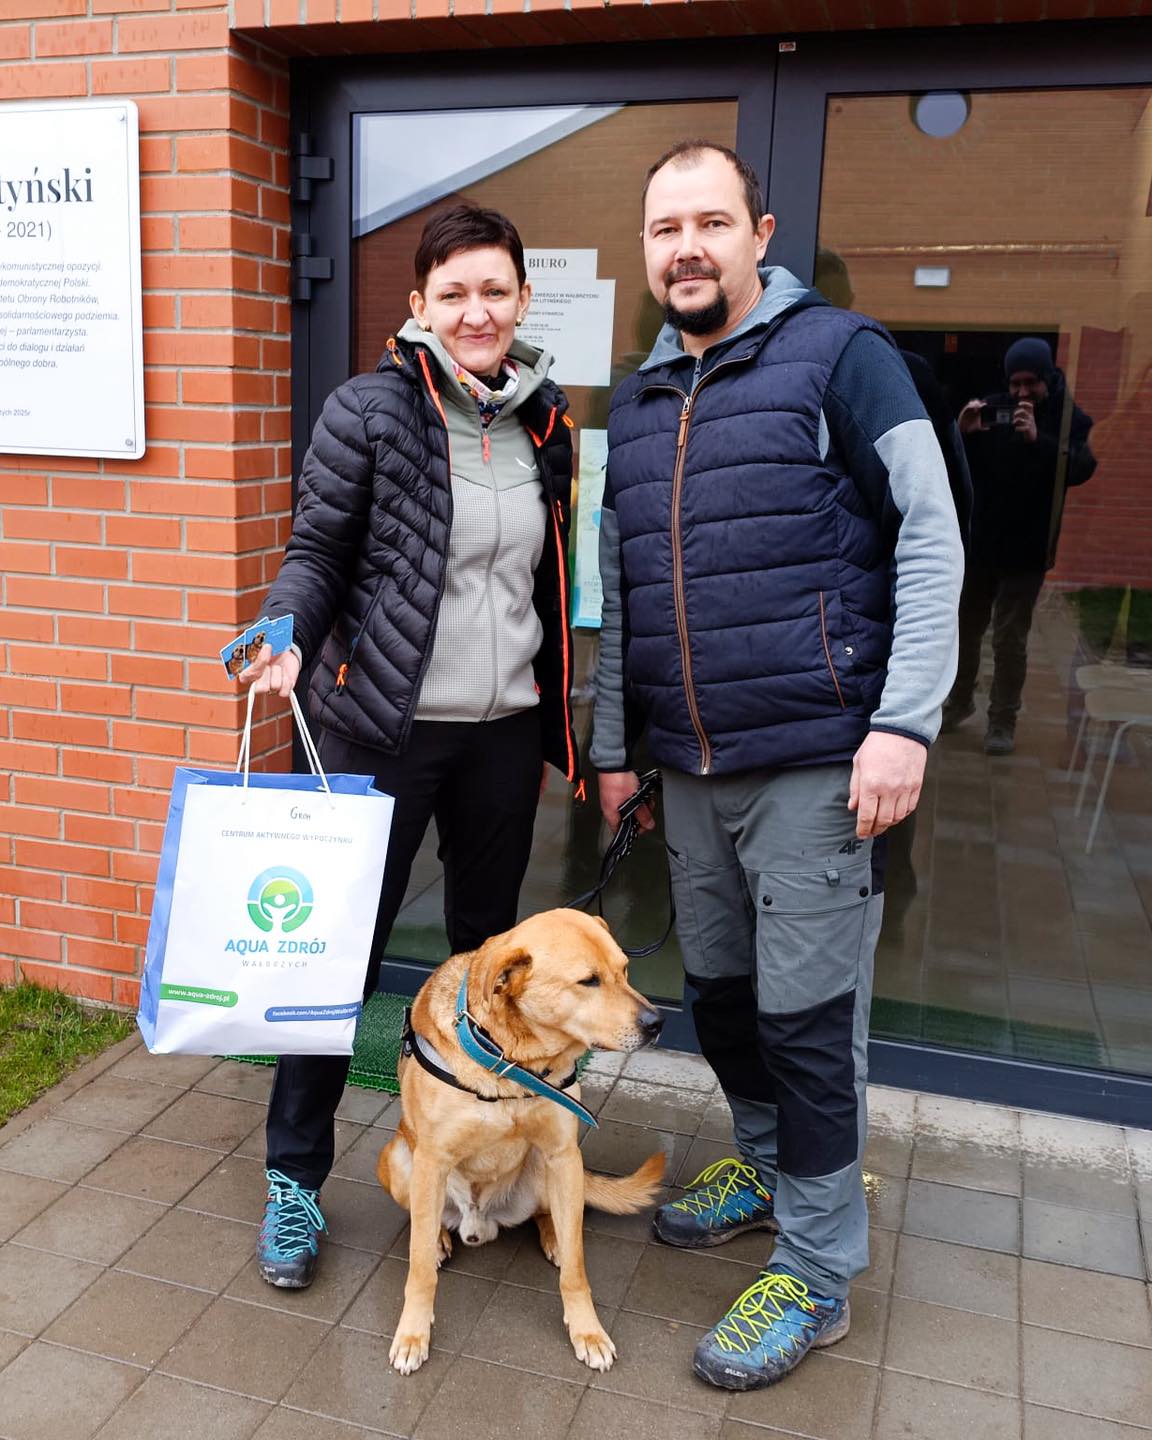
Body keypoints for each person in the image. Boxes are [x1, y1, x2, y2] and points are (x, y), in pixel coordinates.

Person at [591, 140, 963, 1390]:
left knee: (808, 1027)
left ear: (758, 234)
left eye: (710, 222)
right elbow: (626, 596)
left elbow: (931, 536)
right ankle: (763, 1165)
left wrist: (904, 723)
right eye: (665, 229)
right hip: (692, 772)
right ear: (648, 250)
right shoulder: (638, 404)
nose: (686, 247)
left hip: (818, 761)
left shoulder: (842, 357)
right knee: (724, 1002)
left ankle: (815, 1271)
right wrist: (617, 752)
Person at [238, 203, 580, 1289]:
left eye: (496, 290)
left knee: (489, 967)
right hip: (379, 729)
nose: (477, 311)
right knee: (333, 963)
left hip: (502, 735)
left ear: (523, 300)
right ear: (420, 305)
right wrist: (287, 628)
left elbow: (551, 582)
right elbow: (316, 552)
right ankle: (295, 1181)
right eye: (455, 293)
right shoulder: (369, 412)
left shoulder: (546, 424)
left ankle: (478, 1157)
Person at [942, 336, 1096, 754]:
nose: (1022, 392)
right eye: (1015, 383)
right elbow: (958, 472)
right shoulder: (992, 410)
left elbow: (1083, 468)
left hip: (1028, 549)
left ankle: (1002, 720)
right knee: (965, 629)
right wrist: (962, 435)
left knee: (1009, 638)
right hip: (983, 544)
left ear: (1048, 378)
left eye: (1031, 382)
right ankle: (958, 702)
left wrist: (1040, 441)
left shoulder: (1068, 417)